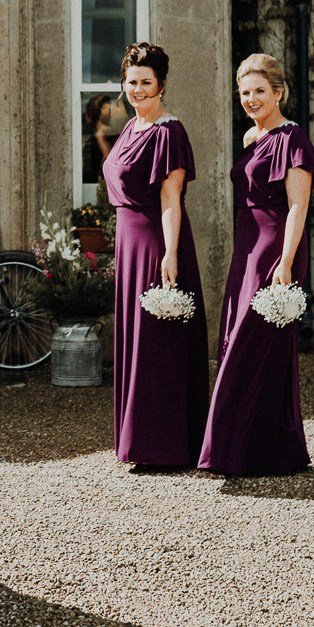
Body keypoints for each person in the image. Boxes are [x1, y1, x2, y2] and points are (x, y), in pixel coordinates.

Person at [197, 53, 314, 477]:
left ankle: (233, 450)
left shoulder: (293, 139)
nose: (251, 99)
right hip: (246, 249)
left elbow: (298, 206)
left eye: (259, 91)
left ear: (279, 92)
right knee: (237, 342)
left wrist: (286, 262)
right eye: (245, 92)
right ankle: (262, 450)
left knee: (252, 346)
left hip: (275, 249)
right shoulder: (253, 137)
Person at [102, 42, 209, 471]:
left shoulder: (169, 132)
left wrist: (170, 251)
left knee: (158, 343)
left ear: (162, 84)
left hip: (154, 243)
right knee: (136, 342)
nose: (138, 89)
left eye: (146, 82)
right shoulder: (131, 128)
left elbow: (170, 198)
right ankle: (138, 441)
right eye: (132, 82)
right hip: (129, 244)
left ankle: (166, 446)